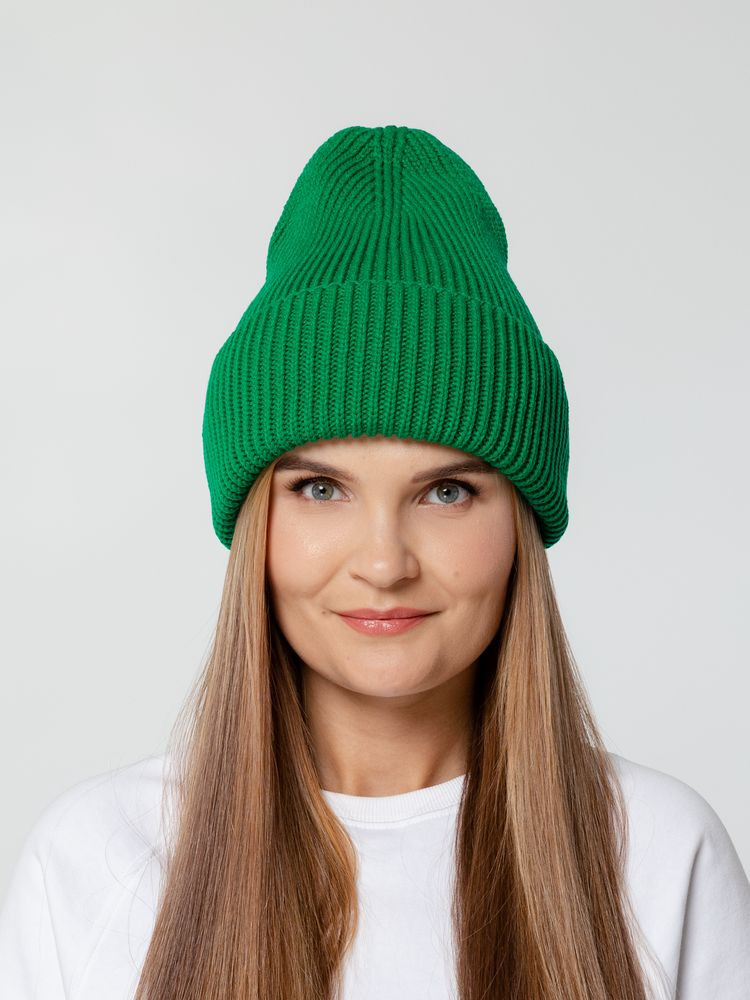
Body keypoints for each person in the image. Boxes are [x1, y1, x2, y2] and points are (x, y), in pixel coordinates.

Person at [0, 123, 748, 1000]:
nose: (385, 563)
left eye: (447, 491)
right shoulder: (93, 866)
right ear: (255, 523)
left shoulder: (660, 857)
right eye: (321, 489)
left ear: (521, 523)